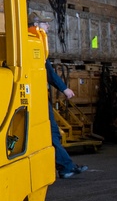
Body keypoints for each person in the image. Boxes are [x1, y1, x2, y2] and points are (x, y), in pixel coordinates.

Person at [29, 11, 88, 178]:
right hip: (37, 97)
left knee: (48, 132)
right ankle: (66, 167)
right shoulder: (34, 44)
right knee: (51, 132)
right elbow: (49, 73)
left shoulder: (28, 42)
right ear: (36, 26)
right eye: (45, 23)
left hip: (32, 96)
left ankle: (64, 165)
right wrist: (65, 89)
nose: (48, 26)